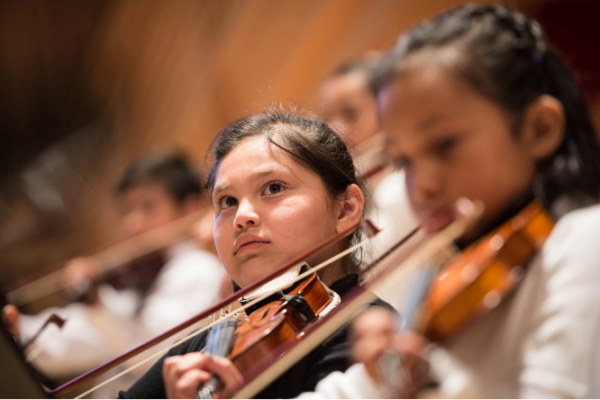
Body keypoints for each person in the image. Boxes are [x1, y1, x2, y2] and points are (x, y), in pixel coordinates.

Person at [297, 4, 600, 399]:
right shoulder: (459, 280)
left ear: (539, 129)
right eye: (403, 160)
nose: (421, 186)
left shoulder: (584, 242)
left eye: (444, 145)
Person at [117, 110, 392, 400]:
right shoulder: (206, 349)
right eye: (228, 201)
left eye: (273, 188)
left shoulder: (368, 338)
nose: (242, 217)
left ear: (346, 209)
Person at [17, 152, 225, 392]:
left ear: (190, 209)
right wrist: (18, 332)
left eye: (148, 207)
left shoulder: (196, 268)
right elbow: (72, 340)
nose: (131, 224)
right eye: (126, 210)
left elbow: (148, 356)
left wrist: (96, 301)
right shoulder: (139, 279)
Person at [319, 57, 417, 263]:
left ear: (387, 111)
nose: (335, 130)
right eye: (327, 119)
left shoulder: (404, 187)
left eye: (350, 113)